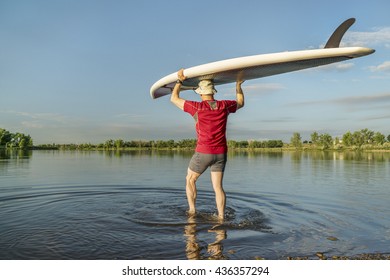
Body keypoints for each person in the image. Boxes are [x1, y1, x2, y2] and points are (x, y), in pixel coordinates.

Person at [171, 68, 245, 221]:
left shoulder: (196, 107)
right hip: (221, 153)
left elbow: (174, 98)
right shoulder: (224, 106)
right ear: (214, 92)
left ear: (199, 92)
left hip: (204, 152)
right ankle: (221, 217)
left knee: (190, 179)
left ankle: (192, 212)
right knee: (218, 187)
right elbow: (240, 103)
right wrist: (238, 86)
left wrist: (179, 81)